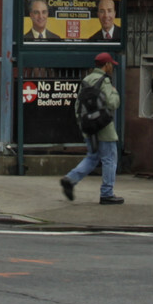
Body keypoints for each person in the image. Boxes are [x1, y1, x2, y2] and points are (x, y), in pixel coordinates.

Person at [60, 52, 123, 205]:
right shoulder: (105, 81)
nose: (112, 68)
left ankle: (70, 179)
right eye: (111, 65)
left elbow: (77, 105)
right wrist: (115, 92)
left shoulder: (86, 80)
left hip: (88, 125)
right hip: (104, 126)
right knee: (109, 159)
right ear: (106, 65)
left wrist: (82, 123)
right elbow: (112, 103)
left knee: (92, 157)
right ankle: (107, 193)